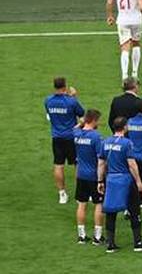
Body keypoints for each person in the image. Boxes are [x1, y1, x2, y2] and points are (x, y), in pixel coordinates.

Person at [97, 116, 142, 252]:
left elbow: (101, 163)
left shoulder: (105, 142)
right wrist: (138, 181)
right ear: (125, 127)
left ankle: (110, 244)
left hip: (111, 180)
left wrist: (100, 181)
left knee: (111, 212)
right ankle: (138, 242)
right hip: (125, 180)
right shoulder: (127, 143)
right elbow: (131, 164)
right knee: (134, 210)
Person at [45, 76, 84, 204]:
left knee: (58, 165)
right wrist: (73, 97)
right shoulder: (71, 101)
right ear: (65, 86)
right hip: (71, 137)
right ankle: (81, 192)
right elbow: (81, 113)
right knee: (77, 164)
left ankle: (62, 194)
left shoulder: (48, 100)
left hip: (56, 137)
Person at [72, 109, 105, 244]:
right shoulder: (96, 137)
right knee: (98, 204)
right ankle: (97, 237)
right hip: (93, 175)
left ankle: (81, 235)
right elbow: (100, 160)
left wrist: (81, 123)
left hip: (80, 175)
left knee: (81, 204)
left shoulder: (77, 134)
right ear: (94, 120)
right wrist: (100, 180)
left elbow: (74, 128)